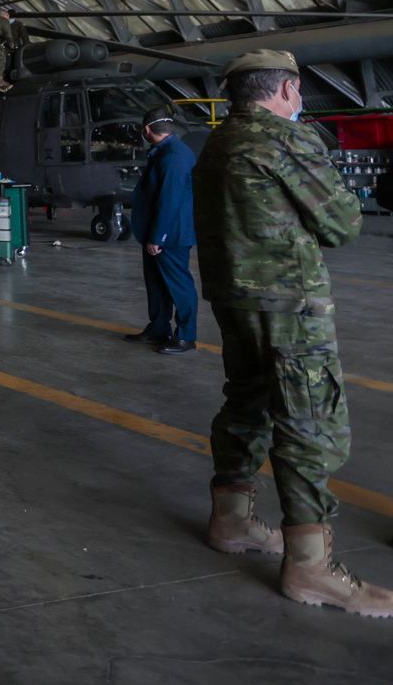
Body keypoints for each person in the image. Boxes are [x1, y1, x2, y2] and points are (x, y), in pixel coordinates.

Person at [193, 49, 392, 615]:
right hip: (289, 304)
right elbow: (342, 225)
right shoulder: (286, 140)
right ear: (285, 89)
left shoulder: (217, 143)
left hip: (235, 298)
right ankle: (310, 566)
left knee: (248, 401)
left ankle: (230, 521)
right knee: (310, 423)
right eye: (297, 92)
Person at [125, 106, 198, 355]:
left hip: (170, 235)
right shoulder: (164, 152)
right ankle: (158, 329)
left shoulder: (174, 156)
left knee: (178, 284)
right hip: (155, 233)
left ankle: (186, 336)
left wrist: (158, 237)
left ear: (147, 130)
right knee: (156, 284)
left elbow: (170, 200)